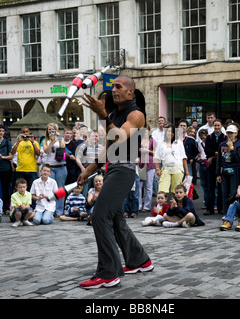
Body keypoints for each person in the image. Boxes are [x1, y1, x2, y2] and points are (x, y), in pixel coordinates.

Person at [78, 75, 153, 289]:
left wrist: (102, 115)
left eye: (119, 86)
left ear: (130, 91)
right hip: (113, 169)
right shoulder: (114, 114)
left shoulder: (136, 114)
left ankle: (108, 273)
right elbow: (110, 148)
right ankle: (140, 260)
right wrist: (88, 171)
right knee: (117, 220)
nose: (114, 90)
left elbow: (120, 138)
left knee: (100, 216)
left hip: (123, 171)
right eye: (113, 87)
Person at [154, 123, 189, 198]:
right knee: (162, 190)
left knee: (176, 190)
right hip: (166, 168)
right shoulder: (161, 142)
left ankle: (174, 206)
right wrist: (157, 168)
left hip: (178, 168)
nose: (170, 133)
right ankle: (162, 207)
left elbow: (183, 157)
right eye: (168, 131)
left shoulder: (179, 143)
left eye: (172, 132)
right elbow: (157, 156)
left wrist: (187, 171)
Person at [216, 124, 240, 214]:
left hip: (234, 171)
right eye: (228, 133)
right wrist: (218, 174)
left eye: (231, 133)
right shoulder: (222, 145)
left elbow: (238, 159)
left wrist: (231, 148)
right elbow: (219, 159)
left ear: (235, 134)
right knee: (224, 193)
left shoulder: (238, 145)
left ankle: (233, 212)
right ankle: (226, 212)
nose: (230, 135)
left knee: (233, 193)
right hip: (224, 171)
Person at [42, 123, 67, 217]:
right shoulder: (45, 141)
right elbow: (46, 151)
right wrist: (51, 141)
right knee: (49, 189)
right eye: (49, 129)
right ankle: (49, 209)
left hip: (60, 167)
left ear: (56, 130)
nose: (50, 131)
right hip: (50, 167)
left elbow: (63, 146)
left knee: (60, 189)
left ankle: (59, 210)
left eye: (53, 129)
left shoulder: (60, 138)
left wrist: (58, 137)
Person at [204, 119, 226, 214]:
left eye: (218, 125)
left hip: (221, 164)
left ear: (221, 126)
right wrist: (215, 153)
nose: (217, 127)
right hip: (211, 165)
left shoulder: (225, 137)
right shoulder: (209, 137)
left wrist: (213, 155)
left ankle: (221, 208)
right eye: (215, 125)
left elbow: (224, 150)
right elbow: (207, 150)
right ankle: (210, 208)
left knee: (221, 187)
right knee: (211, 187)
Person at [10, 126, 40, 192]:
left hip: (32, 169)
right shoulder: (19, 142)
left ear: (29, 133)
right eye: (23, 132)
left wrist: (33, 142)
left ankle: (31, 202)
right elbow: (12, 152)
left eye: (27, 132)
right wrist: (18, 142)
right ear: (21, 133)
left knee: (32, 190)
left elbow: (38, 153)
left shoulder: (35, 142)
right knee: (20, 190)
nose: (25, 133)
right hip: (20, 169)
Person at [138, 124, 156, 212]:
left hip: (150, 164)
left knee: (149, 186)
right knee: (139, 186)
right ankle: (138, 205)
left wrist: (147, 151)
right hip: (140, 165)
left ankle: (147, 206)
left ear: (149, 131)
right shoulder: (138, 140)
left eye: (146, 130)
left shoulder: (152, 140)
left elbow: (156, 153)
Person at [197, 129, 209, 209]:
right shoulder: (199, 144)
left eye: (204, 136)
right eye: (201, 137)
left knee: (210, 185)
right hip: (202, 163)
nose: (203, 138)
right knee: (204, 185)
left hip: (209, 164)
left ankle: (212, 203)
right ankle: (206, 202)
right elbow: (199, 152)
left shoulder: (210, 143)